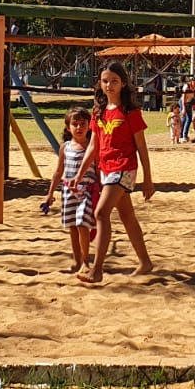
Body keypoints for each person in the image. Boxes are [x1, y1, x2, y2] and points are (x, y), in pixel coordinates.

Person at [73, 61, 155, 284]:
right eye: (105, 81)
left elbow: (141, 146)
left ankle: (97, 269)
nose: (109, 85)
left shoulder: (130, 111)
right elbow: (93, 146)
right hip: (105, 170)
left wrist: (148, 177)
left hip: (125, 168)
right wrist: (79, 175)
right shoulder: (98, 112)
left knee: (101, 213)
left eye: (114, 81)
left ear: (123, 83)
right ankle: (145, 262)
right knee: (127, 216)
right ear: (100, 83)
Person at [42, 107, 98, 274]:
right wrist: (50, 193)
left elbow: (99, 170)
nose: (79, 127)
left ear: (89, 126)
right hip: (68, 192)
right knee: (73, 227)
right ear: (68, 127)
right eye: (75, 124)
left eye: (83, 124)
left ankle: (86, 262)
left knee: (82, 224)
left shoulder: (92, 146)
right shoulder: (65, 147)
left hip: (87, 191)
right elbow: (58, 172)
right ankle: (77, 261)